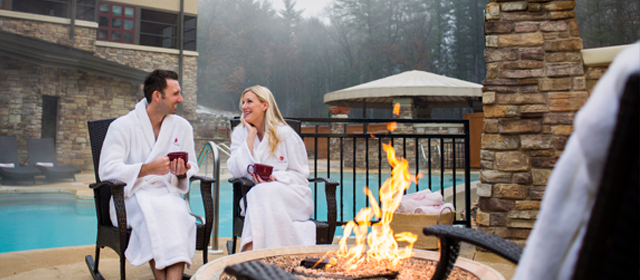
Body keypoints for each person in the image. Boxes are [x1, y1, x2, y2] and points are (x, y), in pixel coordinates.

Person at [99, 69, 199, 280]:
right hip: (129, 198)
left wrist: (182, 173)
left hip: (166, 195)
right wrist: (147, 169)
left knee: (177, 213)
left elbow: (193, 168)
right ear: (157, 96)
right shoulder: (122, 126)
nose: (180, 99)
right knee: (157, 213)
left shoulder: (182, 127)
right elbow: (106, 170)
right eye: (175, 94)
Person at [227, 85, 315, 252]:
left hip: (292, 197)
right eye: (243, 102)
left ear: (265, 105)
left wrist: (277, 179)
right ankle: (273, 260)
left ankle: (249, 257)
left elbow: (300, 175)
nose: (244, 106)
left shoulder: (285, 134)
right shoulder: (241, 133)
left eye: (249, 102)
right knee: (261, 193)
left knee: (262, 192)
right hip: (257, 197)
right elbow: (235, 169)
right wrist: (250, 137)